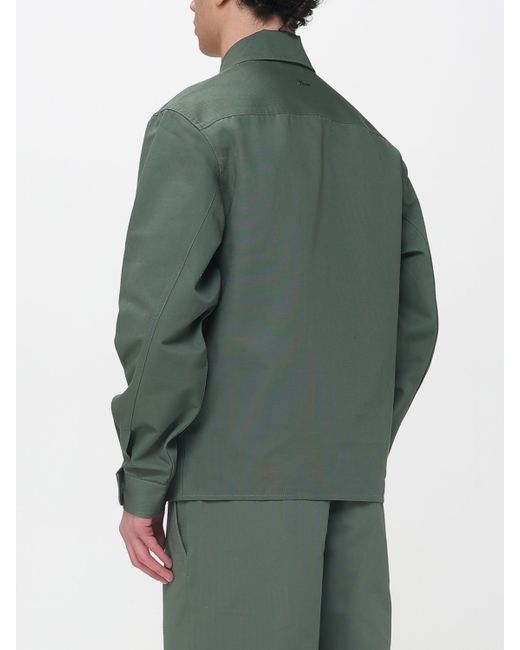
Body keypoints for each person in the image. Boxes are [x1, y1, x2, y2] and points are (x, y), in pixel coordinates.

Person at [111, 1, 439, 648]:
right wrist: (351, 445)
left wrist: (145, 478)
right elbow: (415, 326)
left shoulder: (194, 126)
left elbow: (159, 323)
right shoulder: (374, 148)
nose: (189, 4)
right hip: (352, 499)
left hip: (231, 497)